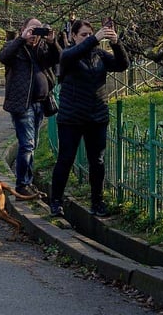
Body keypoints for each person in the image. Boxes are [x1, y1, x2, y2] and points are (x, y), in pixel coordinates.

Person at [47, 19, 128, 219]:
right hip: (71, 118)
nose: (89, 38)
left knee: (97, 162)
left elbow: (122, 65)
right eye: (84, 35)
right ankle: (56, 201)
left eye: (90, 34)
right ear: (74, 36)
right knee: (65, 160)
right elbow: (67, 56)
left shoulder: (100, 55)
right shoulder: (68, 55)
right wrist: (94, 38)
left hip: (97, 116)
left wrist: (116, 43)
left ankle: (97, 202)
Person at [0, 17, 60, 198]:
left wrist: (52, 42)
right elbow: (3, 57)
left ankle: (27, 182)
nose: (35, 34)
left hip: (41, 103)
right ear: (23, 29)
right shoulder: (14, 47)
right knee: (27, 145)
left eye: (38, 30)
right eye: (31, 29)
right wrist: (21, 40)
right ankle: (22, 185)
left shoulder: (42, 48)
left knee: (33, 144)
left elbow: (58, 59)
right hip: (22, 104)